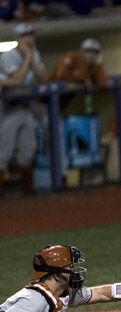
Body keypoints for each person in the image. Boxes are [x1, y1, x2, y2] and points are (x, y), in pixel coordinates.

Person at [0, 22, 47, 195]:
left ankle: (28, 191)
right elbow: (17, 81)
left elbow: (43, 78)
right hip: (10, 109)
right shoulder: (8, 55)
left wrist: (32, 57)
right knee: (4, 152)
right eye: (25, 35)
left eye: (30, 35)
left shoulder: (35, 54)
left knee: (28, 150)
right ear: (17, 38)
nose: (28, 39)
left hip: (27, 107)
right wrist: (28, 57)